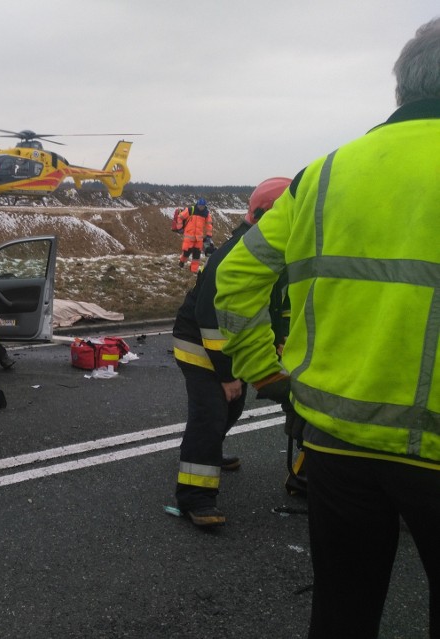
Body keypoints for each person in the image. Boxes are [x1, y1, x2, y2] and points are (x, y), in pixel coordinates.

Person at [214, 17, 440, 637]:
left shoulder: (324, 173)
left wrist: (264, 368)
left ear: (401, 90)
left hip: (337, 443)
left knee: (342, 613)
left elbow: (233, 280)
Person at [171, 177, 291, 527]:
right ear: (270, 215)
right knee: (210, 412)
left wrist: (279, 339)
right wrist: (226, 375)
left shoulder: (271, 248)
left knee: (233, 404)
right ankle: (195, 497)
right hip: (198, 340)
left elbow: (272, 300)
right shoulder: (239, 252)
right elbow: (209, 318)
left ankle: (208, 451)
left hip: (226, 341)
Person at [176, 198, 213, 273]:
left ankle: (193, 270)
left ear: (205, 206)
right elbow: (180, 217)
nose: (201, 207)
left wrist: (209, 235)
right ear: (197, 204)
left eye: (202, 206)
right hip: (189, 237)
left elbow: (209, 224)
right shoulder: (190, 210)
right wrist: (179, 228)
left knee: (197, 255)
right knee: (186, 252)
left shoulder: (206, 213)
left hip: (198, 239)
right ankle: (181, 262)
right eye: (200, 205)